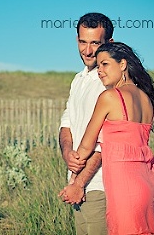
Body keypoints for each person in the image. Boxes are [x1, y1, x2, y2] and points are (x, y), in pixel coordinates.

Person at [70, 42, 154, 234]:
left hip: (127, 188)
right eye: (98, 66)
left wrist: (75, 180)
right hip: (151, 181)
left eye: (105, 64)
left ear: (123, 64)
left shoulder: (110, 97)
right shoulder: (146, 99)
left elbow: (85, 147)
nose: (99, 71)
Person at [57, 12, 113, 235]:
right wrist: (67, 152)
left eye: (95, 43)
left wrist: (80, 183)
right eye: (82, 41)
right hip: (76, 183)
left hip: (99, 185)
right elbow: (66, 123)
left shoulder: (108, 82)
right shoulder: (78, 79)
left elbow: (106, 141)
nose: (87, 51)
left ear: (109, 43)